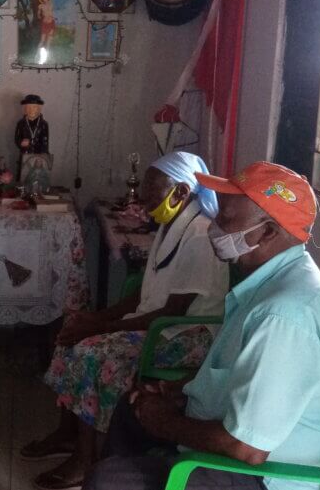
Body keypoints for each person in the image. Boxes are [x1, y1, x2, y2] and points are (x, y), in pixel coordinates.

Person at [85, 162, 320, 490]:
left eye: (226, 217)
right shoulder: (268, 284)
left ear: (268, 232)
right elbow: (238, 371)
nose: (215, 226)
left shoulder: (284, 316)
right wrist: (178, 390)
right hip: (240, 444)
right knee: (132, 408)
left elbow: (246, 449)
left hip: (261, 477)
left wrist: (166, 422)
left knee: (107, 480)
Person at [22, 153, 229, 490]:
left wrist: (99, 327)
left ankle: (87, 460)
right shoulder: (171, 225)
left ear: (181, 192)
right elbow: (143, 294)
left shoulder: (199, 235)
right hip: (161, 324)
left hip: (187, 333)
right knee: (70, 332)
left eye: (151, 193)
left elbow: (170, 312)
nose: (143, 200)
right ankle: (67, 433)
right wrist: (94, 318)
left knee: (92, 353)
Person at [14, 94, 50, 178]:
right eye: (29, 107)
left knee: (37, 176)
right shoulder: (21, 123)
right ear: (25, 108)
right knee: (24, 175)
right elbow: (16, 138)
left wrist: (44, 153)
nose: (31, 110)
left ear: (39, 108)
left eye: (34, 107)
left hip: (38, 155)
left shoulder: (43, 124)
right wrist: (21, 143)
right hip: (25, 154)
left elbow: (45, 141)